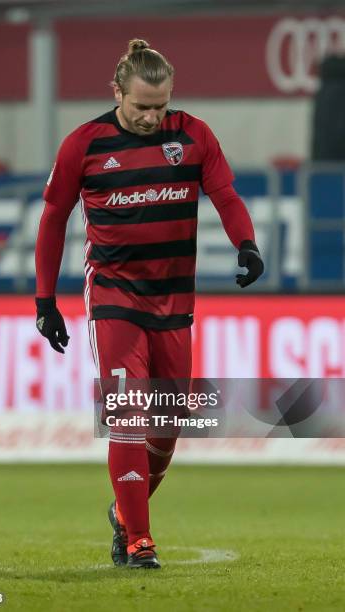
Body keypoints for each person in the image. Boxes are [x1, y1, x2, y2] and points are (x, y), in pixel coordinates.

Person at [35, 39, 264, 569]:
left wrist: (246, 244)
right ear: (116, 92)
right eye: (141, 106)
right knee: (127, 412)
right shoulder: (83, 145)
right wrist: (45, 300)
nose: (151, 117)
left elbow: (226, 196)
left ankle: (123, 512)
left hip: (174, 298)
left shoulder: (193, 135)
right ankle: (139, 540)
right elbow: (52, 219)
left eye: (160, 107)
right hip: (114, 294)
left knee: (170, 423)